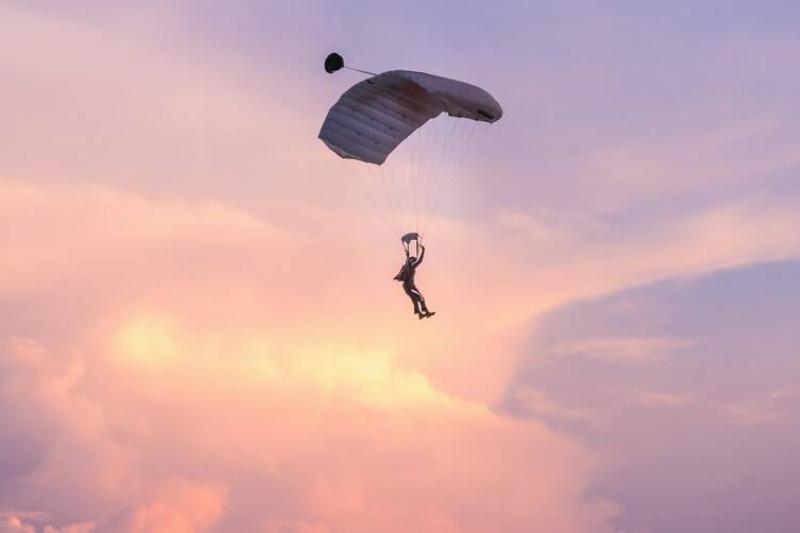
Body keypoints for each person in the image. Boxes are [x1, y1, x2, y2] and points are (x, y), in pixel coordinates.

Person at [394, 244, 435, 319]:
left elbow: (418, 261)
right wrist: (422, 250)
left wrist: (422, 251)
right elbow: (418, 261)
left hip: (410, 286)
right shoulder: (409, 267)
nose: (414, 261)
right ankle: (423, 313)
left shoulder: (409, 267)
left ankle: (422, 313)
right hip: (408, 286)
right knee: (418, 298)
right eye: (412, 260)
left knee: (417, 299)